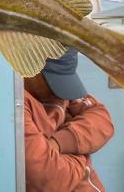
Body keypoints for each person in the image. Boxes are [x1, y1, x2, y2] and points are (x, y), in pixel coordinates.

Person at [24, 49, 115, 192]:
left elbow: (103, 120)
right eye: (54, 81)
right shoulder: (16, 104)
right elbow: (49, 177)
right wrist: (83, 158)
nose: (59, 92)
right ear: (29, 68)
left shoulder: (62, 93)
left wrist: (59, 143)